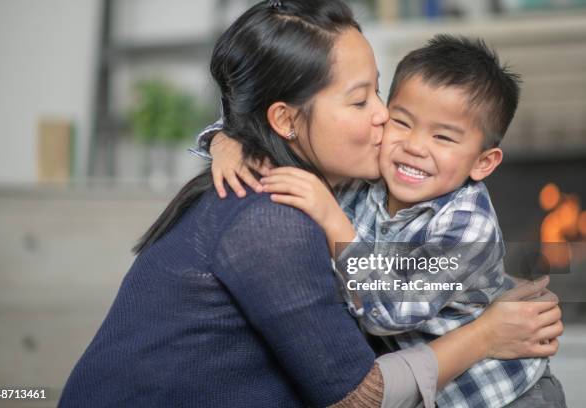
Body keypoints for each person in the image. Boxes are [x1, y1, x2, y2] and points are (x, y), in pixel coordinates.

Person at [60, 1, 562, 407]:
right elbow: (359, 393)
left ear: (484, 160)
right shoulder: (280, 216)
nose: (386, 120)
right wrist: (486, 332)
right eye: (362, 100)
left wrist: (240, 140)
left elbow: (400, 291)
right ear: (284, 121)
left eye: (377, 93)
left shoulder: (327, 187)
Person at [194, 34, 567, 407]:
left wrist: (332, 219)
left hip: (509, 396)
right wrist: (225, 141)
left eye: (442, 136)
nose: (414, 146)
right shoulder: (370, 177)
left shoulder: (468, 225)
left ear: (482, 163)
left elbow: (390, 312)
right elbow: (286, 133)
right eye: (402, 122)